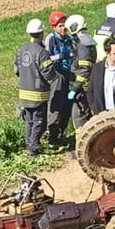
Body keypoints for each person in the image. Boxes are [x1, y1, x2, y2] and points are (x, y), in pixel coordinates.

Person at [16, 19, 55, 157]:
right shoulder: (42, 52)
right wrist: (55, 78)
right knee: (40, 121)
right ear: (41, 33)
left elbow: (17, 70)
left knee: (29, 121)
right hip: (38, 94)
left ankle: (30, 144)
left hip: (24, 93)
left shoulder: (21, 49)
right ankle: (34, 147)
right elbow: (48, 73)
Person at [44, 11, 76, 146]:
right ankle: (51, 134)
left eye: (64, 26)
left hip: (69, 74)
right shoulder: (51, 39)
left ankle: (61, 132)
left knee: (67, 104)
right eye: (60, 26)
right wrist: (59, 57)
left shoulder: (69, 39)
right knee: (55, 104)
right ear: (54, 27)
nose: (63, 29)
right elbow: (46, 58)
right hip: (56, 76)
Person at [65, 14, 96, 129]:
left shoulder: (83, 44)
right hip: (87, 86)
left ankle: (80, 143)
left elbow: (84, 69)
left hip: (82, 89)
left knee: (79, 116)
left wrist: (75, 88)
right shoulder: (87, 40)